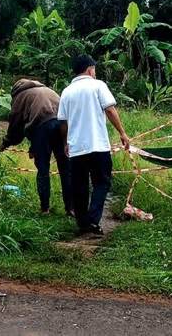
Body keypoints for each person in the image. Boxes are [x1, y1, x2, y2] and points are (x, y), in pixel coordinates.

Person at [58, 55, 130, 235]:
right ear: (90, 69)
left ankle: (83, 223)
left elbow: (63, 122)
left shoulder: (67, 91)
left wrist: (66, 142)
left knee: (79, 186)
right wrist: (122, 132)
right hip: (98, 146)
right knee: (102, 182)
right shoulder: (98, 86)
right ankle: (93, 219)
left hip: (76, 148)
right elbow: (110, 109)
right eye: (94, 69)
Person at [0, 78, 72, 215]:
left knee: (43, 169)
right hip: (63, 125)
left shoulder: (20, 96)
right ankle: (71, 208)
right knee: (65, 167)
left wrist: (5, 143)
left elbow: (16, 127)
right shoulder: (47, 90)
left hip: (42, 127)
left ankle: (45, 208)